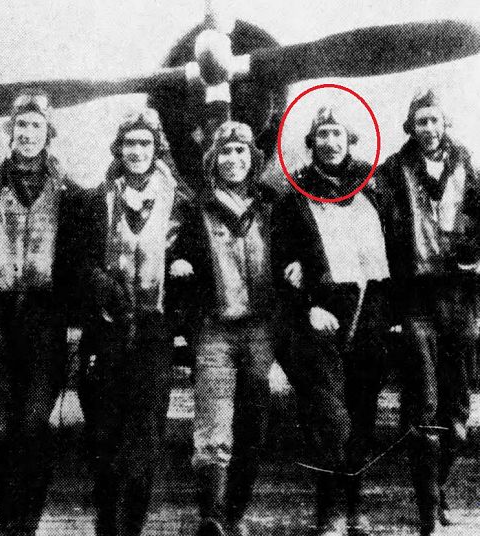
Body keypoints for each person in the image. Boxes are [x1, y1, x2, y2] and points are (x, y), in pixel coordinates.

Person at [0, 92, 96, 536]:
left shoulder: (69, 195)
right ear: (9, 131)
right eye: (21, 125)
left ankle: (25, 523)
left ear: (49, 133)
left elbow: (82, 260)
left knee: (33, 425)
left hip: (45, 319)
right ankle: (5, 517)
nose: (28, 134)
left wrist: (76, 315)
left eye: (36, 126)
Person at [272, 106, 391, 536]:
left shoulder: (373, 188)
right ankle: (329, 511)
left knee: (362, 412)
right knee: (328, 416)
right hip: (320, 313)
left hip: (369, 308)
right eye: (322, 135)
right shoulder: (294, 197)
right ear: (312, 143)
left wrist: (391, 311)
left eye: (337, 134)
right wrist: (306, 305)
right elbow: (279, 263)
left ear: (349, 139)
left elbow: (395, 246)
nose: (330, 142)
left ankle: (354, 507)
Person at [78, 108, 188, 536]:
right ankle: (106, 523)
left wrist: (181, 268)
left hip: (155, 329)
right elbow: (79, 259)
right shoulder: (100, 200)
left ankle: (132, 528)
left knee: (145, 433)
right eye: (129, 143)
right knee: (104, 432)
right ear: (118, 149)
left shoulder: (179, 201)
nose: (136, 151)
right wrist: (98, 280)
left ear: (156, 148)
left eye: (144, 143)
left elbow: (197, 254)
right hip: (108, 328)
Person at [376, 89, 480, 536]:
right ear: (411, 127)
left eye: (435, 120)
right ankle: (427, 512)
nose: (429, 129)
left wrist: (473, 252)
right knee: (424, 404)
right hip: (416, 299)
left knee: (458, 411)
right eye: (421, 122)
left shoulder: (465, 164)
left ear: (445, 123)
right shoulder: (393, 170)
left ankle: (440, 487)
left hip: (458, 298)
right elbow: (375, 220)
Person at [171, 121, 276, 536]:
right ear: (213, 161)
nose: (233, 160)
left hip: (260, 331)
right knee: (213, 425)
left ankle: (236, 512)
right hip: (214, 330)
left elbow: (298, 244)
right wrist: (178, 262)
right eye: (225, 153)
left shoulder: (270, 207)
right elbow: (170, 248)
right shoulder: (195, 208)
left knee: (253, 423)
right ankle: (212, 517)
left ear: (253, 159)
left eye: (241, 152)